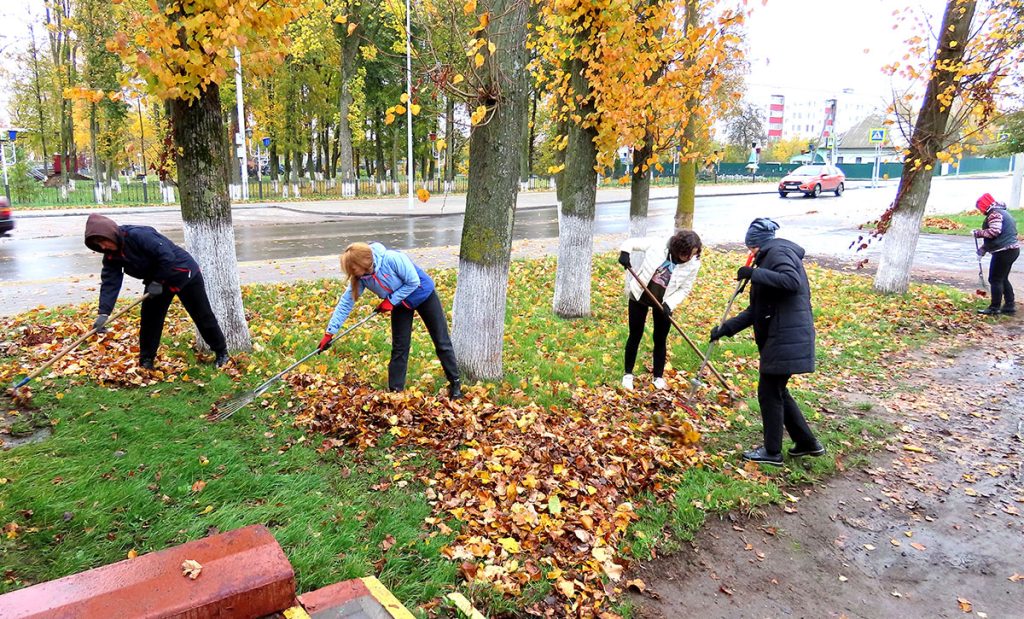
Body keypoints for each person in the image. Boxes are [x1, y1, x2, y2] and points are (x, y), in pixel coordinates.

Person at [709, 218, 823, 466]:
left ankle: (772, 452)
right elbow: (756, 310)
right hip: (784, 334)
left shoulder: (779, 252)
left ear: (757, 244)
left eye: (750, 249)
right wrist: (725, 329)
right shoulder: (771, 257)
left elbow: (791, 282)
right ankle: (806, 443)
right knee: (777, 390)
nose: (750, 254)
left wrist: (755, 273)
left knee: (769, 392)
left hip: (786, 335)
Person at [84, 214, 229, 370]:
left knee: (202, 315)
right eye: (98, 245)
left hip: (183, 272)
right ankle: (146, 361)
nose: (103, 247)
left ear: (111, 233)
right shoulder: (111, 256)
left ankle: (221, 352)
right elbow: (110, 283)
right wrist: (103, 313)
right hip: (156, 281)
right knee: (150, 320)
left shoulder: (138, 235)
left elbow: (166, 256)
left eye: (103, 241)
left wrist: (158, 282)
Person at [321, 242, 462, 398]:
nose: (353, 274)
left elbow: (413, 282)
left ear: (364, 262)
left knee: (441, 341)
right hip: (399, 303)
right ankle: (395, 392)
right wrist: (330, 332)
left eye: (353, 270)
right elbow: (346, 302)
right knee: (399, 347)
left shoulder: (392, 259)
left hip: (423, 293)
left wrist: (390, 301)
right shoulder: (361, 278)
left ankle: (455, 384)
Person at [617, 230, 703, 390]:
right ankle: (628, 374)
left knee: (660, 338)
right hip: (640, 294)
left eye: (694, 254)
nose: (690, 258)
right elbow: (631, 243)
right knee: (635, 334)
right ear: (679, 248)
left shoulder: (693, 264)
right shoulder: (658, 244)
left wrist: (670, 304)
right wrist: (625, 253)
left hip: (663, 303)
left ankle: (658, 377)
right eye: (688, 254)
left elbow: (685, 288)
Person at [973, 193, 1019, 315]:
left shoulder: (994, 214)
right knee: (1003, 278)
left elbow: (994, 232)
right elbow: (998, 237)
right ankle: (1009, 306)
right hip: (1012, 250)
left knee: (995, 279)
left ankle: (994, 308)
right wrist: (982, 250)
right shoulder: (1002, 211)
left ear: (984, 205)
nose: (980, 211)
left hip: (1003, 252)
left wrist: (978, 233)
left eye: (980, 208)